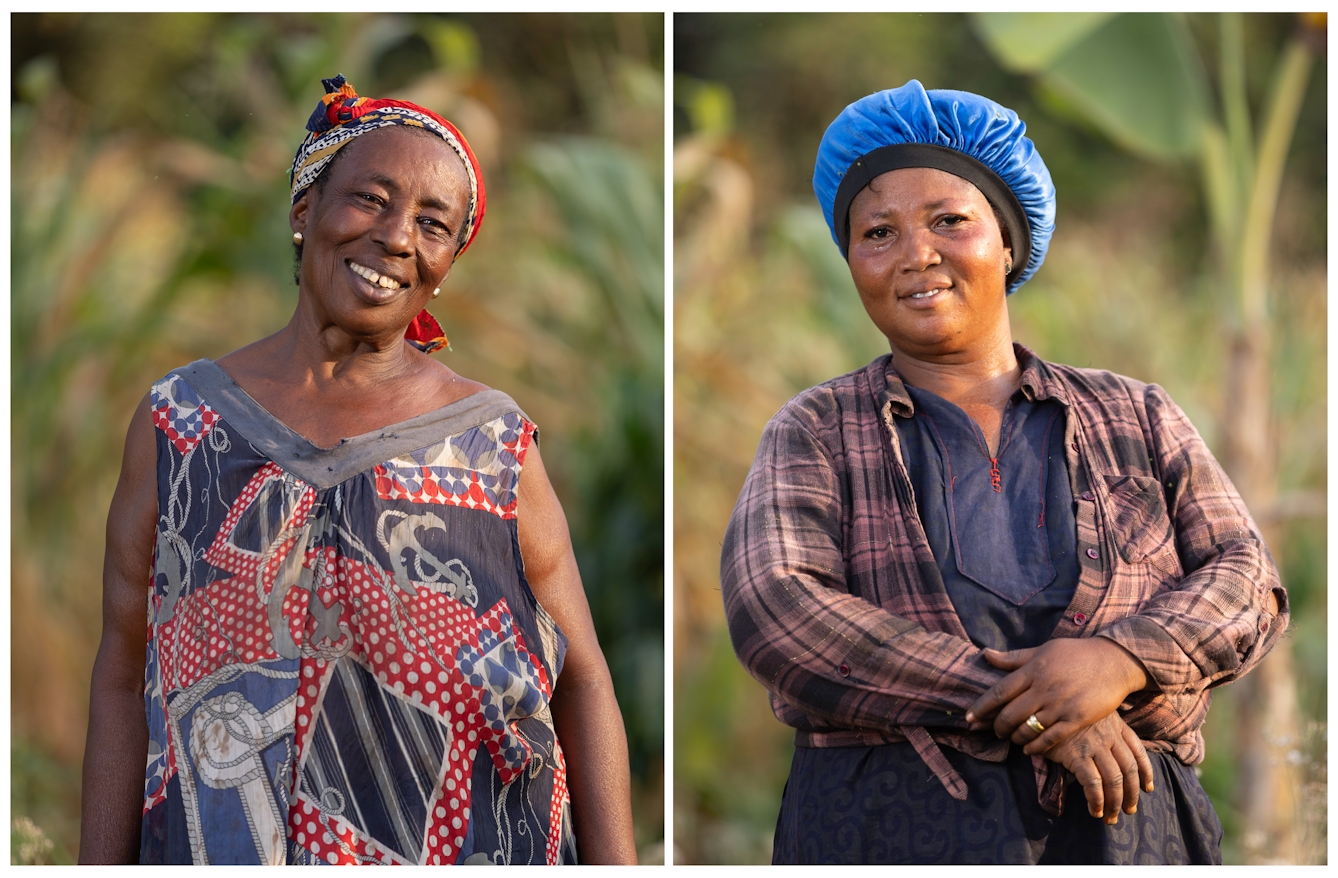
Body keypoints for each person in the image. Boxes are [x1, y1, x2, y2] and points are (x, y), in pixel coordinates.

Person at [720, 80, 1287, 865]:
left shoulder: (1135, 414)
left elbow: (1247, 580)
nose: (916, 254)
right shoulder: (815, 430)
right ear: (851, 261)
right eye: (877, 233)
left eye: (950, 220)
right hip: (888, 829)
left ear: (1010, 238)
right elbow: (777, 608)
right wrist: (1047, 705)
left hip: (1130, 828)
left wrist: (1117, 662)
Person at [79, 74, 637, 865]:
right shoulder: (182, 423)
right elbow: (119, 672)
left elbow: (583, 681)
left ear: (445, 265)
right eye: (371, 199)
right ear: (305, 211)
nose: (397, 237)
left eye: (433, 225)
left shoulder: (491, 443)